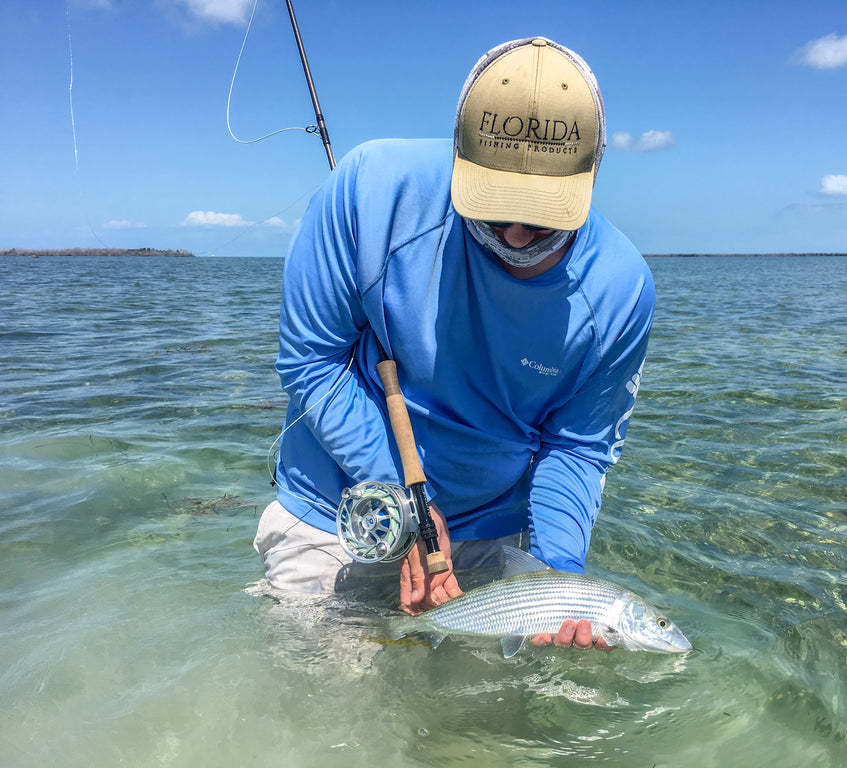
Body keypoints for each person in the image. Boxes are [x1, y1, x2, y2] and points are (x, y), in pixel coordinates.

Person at [254, 37, 654, 652]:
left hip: (494, 527)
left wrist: (554, 581)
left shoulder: (621, 290)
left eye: (543, 215)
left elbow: (576, 449)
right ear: (458, 156)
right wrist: (407, 501)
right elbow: (312, 360)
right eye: (494, 211)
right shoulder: (368, 190)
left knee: (483, 735)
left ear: (592, 172)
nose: (518, 236)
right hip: (341, 508)